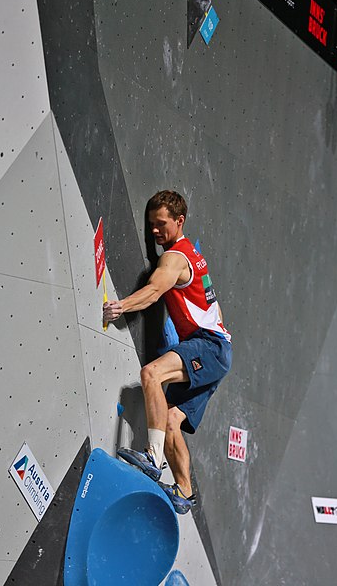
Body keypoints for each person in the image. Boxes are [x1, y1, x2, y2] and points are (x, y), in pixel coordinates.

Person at [103, 190, 232, 514]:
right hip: (219, 350)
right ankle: (185, 492)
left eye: (161, 224)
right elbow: (214, 308)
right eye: (151, 225)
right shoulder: (194, 256)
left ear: (180, 221)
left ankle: (153, 456)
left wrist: (120, 307)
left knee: (151, 374)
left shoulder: (175, 257)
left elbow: (154, 291)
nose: (155, 231)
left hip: (209, 345)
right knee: (172, 420)